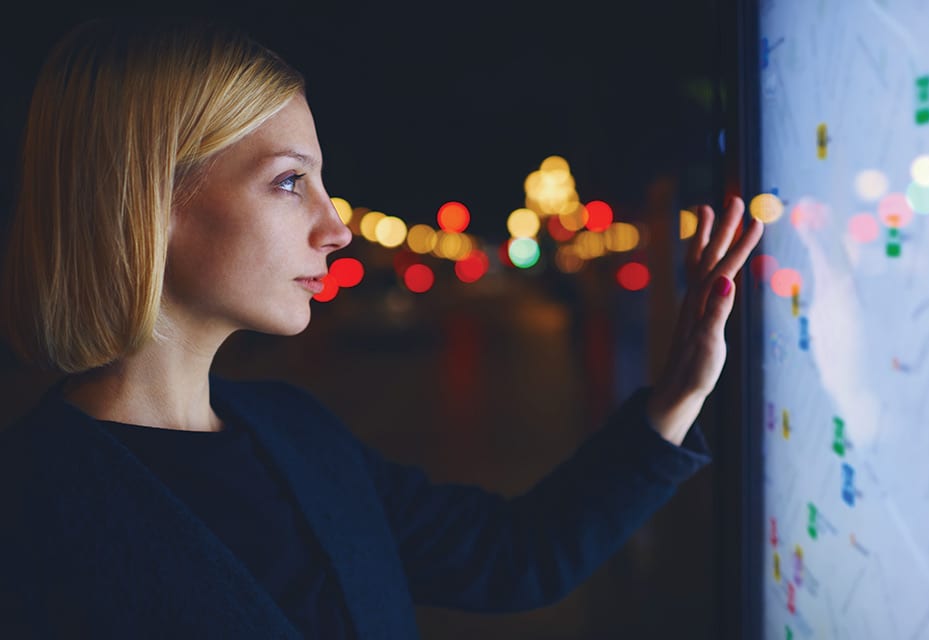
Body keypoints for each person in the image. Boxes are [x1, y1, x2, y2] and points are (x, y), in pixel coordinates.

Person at [0, 17, 763, 639]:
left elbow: (515, 558)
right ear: (146, 201)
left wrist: (678, 393)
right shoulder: (31, 514)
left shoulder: (296, 432)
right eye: (290, 181)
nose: (337, 226)